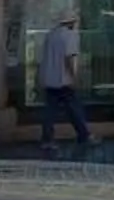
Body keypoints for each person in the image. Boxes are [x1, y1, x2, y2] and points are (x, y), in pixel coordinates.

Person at [38, 9, 93, 156]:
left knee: (50, 111)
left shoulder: (51, 35)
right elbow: (69, 58)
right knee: (74, 107)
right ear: (71, 22)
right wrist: (74, 77)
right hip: (64, 79)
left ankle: (47, 140)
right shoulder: (70, 36)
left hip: (50, 79)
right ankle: (84, 135)